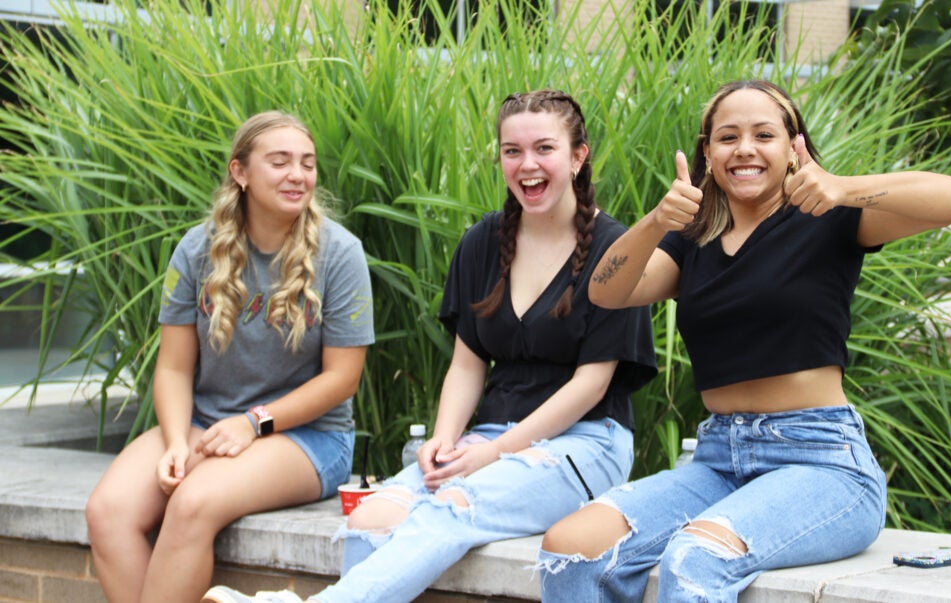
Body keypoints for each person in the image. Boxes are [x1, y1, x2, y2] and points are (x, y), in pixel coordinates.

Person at [201, 89, 658, 603]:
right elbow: (467, 365)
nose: (527, 164)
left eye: (544, 149)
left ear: (578, 156)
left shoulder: (615, 251)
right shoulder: (483, 243)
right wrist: (443, 441)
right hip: (488, 437)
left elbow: (591, 386)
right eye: (512, 151)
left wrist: (493, 453)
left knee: (458, 502)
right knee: (371, 517)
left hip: (585, 443)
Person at [537, 79, 951, 602]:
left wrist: (843, 187)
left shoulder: (828, 219)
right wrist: (658, 220)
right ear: (708, 152)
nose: (744, 148)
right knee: (569, 550)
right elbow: (607, 292)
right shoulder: (692, 241)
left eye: (763, 134)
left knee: (696, 558)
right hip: (718, 458)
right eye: (728, 137)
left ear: (793, 148)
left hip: (823, 464)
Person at [85, 110, 375, 603]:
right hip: (205, 423)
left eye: (307, 163)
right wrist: (177, 441)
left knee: (194, 502)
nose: (297, 175)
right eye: (279, 161)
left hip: (308, 438)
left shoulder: (340, 254)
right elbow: (174, 367)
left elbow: (341, 379)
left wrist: (253, 422)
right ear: (240, 172)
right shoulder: (198, 249)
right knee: (107, 511)